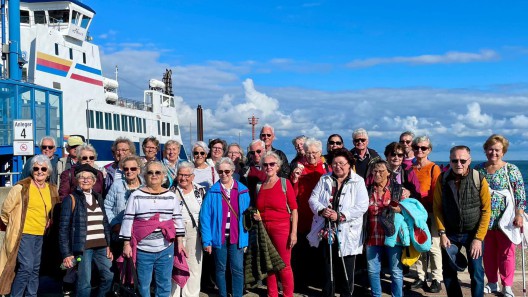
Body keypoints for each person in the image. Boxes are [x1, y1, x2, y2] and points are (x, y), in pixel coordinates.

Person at [308, 148, 369, 297]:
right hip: (327, 232)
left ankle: (346, 294)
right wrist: (322, 210)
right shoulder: (324, 179)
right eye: (334, 163)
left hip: (348, 232)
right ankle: (328, 293)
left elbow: (362, 206)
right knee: (328, 268)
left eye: (341, 163)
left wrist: (341, 215)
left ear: (349, 164)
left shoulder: (358, 181)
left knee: (346, 269)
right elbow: (312, 199)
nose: (338, 166)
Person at [120, 161, 186, 297]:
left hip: (165, 249)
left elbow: (177, 219)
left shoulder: (171, 196)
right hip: (143, 250)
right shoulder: (136, 195)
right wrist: (126, 244)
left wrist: (180, 240)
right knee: (143, 285)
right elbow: (128, 220)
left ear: (163, 176)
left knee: (164, 284)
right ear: (145, 175)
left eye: (158, 172)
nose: (154, 175)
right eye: (150, 172)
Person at [433, 145, 491, 297]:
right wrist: (442, 233)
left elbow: (486, 210)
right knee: (449, 273)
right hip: (450, 233)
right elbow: (437, 208)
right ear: (450, 161)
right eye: (455, 160)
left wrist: (478, 238)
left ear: (469, 161)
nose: (459, 164)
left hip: (473, 233)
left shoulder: (479, 179)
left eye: (463, 160)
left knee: (477, 272)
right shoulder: (443, 179)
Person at [0, 155, 59, 296]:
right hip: (24, 233)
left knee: (35, 268)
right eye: (36, 168)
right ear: (32, 170)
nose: (40, 171)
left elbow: (53, 211)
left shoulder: (51, 189)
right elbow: (5, 211)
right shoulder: (21, 187)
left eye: (43, 168)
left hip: (41, 234)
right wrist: (14, 225)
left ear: (48, 172)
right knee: (26, 267)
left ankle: (31, 295)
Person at [474, 134, 526, 297]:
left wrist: (519, 214)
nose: (493, 153)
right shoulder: (478, 169)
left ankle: (507, 286)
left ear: (503, 151)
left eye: (497, 150)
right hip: (485, 219)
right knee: (488, 253)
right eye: (490, 149)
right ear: (485, 150)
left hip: (507, 219)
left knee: (507, 254)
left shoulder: (511, 169)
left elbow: (520, 195)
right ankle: (492, 283)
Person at [59, 164, 114, 297]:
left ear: (94, 181)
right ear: (77, 180)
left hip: (101, 246)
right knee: (84, 283)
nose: (85, 180)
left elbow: (104, 222)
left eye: (89, 178)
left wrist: (108, 245)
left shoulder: (98, 197)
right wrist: (66, 253)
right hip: (83, 248)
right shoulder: (71, 199)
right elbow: (63, 228)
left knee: (108, 276)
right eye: (82, 177)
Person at [199, 157, 251, 297]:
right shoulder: (212, 191)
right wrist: (207, 241)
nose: (224, 174)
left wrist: (245, 238)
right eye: (220, 171)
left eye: (227, 171)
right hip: (219, 237)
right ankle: (222, 294)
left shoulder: (243, 190)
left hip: (236, 236)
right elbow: (205, 217)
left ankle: (237, 295)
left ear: (232, 171)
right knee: (220, 269)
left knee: (237, 269)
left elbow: (247, 217)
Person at [254, 151, 298, 297]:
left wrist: (293, 233)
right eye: (265, 164)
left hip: (282, 228)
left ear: (278, 166)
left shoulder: (285, 183)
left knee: (284, 265)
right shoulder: (259, 186)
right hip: (264, 229)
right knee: (269, 265)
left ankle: (287, 294)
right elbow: (258, 208)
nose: (268, 167)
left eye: (272, 164)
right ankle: (271, 294)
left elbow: (294, 209)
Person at [289, 138, 329, 290]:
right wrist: (294, 179)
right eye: (308, 153)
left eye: (314, 152)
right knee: (302, 252)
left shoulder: (325, 169)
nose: (311, 156)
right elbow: (293, 195)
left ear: (320, 153)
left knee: (319, 252)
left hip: (320, 216)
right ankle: (301, 282)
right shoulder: (299, 169)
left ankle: (318, 281)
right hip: (303, 216)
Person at [365, 159, 406, 297]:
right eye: (374, 171)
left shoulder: (398, 189)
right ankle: (376, 295)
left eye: (381, 171)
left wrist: (399, 209)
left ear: (388, 172)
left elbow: (407, 210)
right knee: (372, 270)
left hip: (392, 236)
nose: (377, 174)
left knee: (396, 271)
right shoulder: (367, 189)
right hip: (372, 235)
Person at [411, 135, 443, 292]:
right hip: (415, 213)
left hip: (430, 212)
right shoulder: (411, 168)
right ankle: (421, 276)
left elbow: (437, 191)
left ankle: (437, 278)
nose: (419, 150)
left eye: (423, 148)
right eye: (417, 147)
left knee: (433, 246)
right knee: (419, 245)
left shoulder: (433, 168)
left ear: (429, 150)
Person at [170, 161, 206, 297]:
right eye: (180, 174)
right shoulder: (171, 191)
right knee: (176, 264)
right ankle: (174, 294)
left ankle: (191, 294)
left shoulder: (200, 190)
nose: (183, 178)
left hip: (194, 230)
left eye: (187, 175)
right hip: (175, 231)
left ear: (192, 176)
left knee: (194, 264)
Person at [104, 155, 143, 262]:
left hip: (139, 234)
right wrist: (114, 224)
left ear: (138, 170)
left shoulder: (145, 186)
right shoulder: (117, 185)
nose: (129, 171)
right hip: (119, 232)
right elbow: (107, 207)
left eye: (133, 168)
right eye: (126, 169)